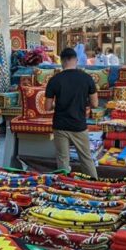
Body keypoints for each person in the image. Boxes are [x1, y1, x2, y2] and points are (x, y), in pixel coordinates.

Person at [44, 47, 99, 178]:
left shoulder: (54, 80)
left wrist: (59, 103)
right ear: (76, 60)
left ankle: (64, 187)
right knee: (86, 159)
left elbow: (47, 107)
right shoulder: (87, 78)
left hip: (60, 125)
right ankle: (95, 185)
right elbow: (95, 104)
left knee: (63, 161)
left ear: (62, 61)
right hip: (79, 126)